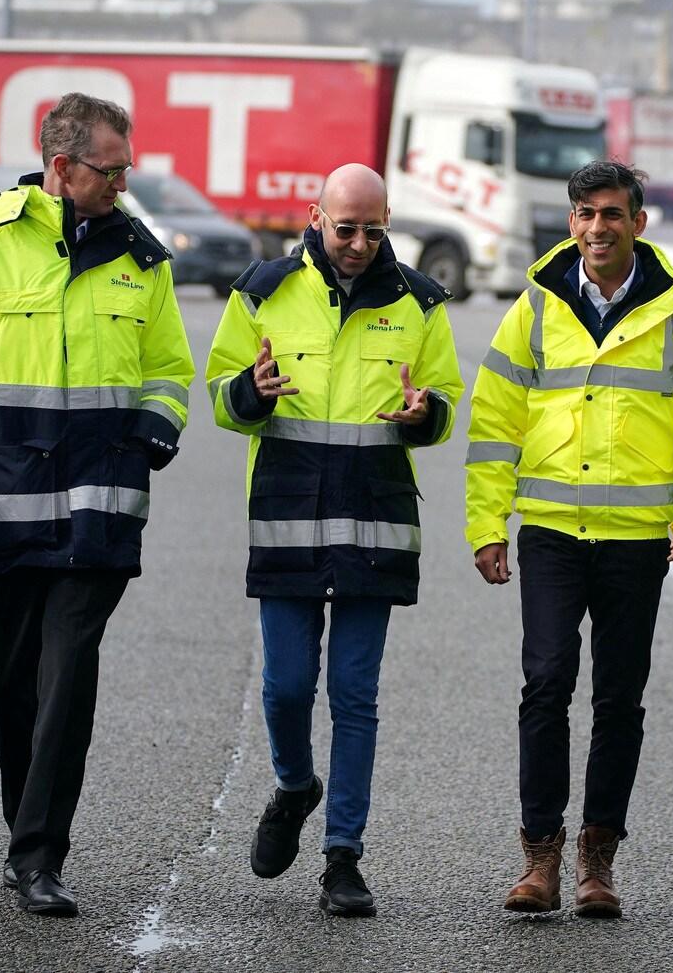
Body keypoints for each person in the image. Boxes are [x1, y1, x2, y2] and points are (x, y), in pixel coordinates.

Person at [0, 93, 194, 916]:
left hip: (99, 510)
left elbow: (169, 367)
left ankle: (39, 855)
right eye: (110, 168)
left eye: (128, 167)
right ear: (61, 167)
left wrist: (151, 432)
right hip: (1, 508)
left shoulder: (142, 260)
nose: (123, 181)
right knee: (6, 681)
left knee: (66, 681)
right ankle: (28, 821)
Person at [464, 160, 673, 917]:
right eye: (585, 213)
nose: (597, 227)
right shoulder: (534, 307)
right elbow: (494, 422)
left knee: (620, 698)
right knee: (546, 684)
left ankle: (598, 859)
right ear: (571, 221)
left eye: (612, 214)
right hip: (552, 530)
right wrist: (487, 523)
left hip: (636, 540)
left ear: (638, 224)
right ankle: (539, 856)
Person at [206, 163, 463, 917]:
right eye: (344, 227)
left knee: (355, 693)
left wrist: (425, 414)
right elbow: (222, 395)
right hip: (287, 513)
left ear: (389, 222)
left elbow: (442, 400)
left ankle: (343, 857)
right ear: (315, 216)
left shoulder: (418, 302)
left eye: (373, 229)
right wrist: (249, 393)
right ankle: (294, 785)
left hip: (375, 521)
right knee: (286, 685)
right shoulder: (263, 292)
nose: (357, 243)